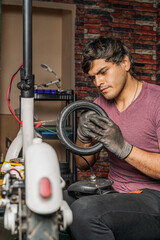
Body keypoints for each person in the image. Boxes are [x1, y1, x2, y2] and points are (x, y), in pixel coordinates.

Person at [69, 37, 160, 240]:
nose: (98, 82)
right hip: (115, 191)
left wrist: (123, 148)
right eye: (93, 77)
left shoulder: (157, 101)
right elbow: (84, 165)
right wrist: (82, 138)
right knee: (56, 205)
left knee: (84, 212)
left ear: (125, 63)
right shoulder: (99, 105)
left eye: (103, 72)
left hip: (154, 196)